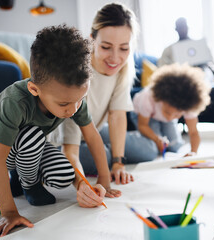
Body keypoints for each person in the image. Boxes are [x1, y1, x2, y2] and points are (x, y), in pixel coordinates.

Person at [0, 25, 120, 239]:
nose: (73, 109)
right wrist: (10, 213)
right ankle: (29, 185)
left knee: (66, 174)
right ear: (34, 89)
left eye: (80, 99)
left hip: (30, 146)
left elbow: (93, 136)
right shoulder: (15, 102)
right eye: (64, 104)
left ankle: (19, 178)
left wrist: (103, 181)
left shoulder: (74, 100)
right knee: (31, 135)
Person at [61, 3, 137, 185]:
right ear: (92, 40)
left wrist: (119, 163)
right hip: (63, 144)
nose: (115, 58)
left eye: (124, 48)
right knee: (106, 155)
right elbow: (69, 144)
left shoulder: (123, 70)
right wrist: (82, 185)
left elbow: (117, 116)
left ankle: (110, 153)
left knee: (143, 151)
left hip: (93, 135)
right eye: (106, 47)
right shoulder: (75, 72)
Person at [132, 63, 211, 157]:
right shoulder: (147, 98)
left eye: (177, 115)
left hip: (158, 115)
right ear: (161, 100)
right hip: (143, 116)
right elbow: (143, 125)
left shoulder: (187, 105)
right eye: (167, 112)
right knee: (156, 146)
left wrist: (193, 152)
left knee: (175, 146)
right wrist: (157, 139)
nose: (170, 118)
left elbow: (194, 132)